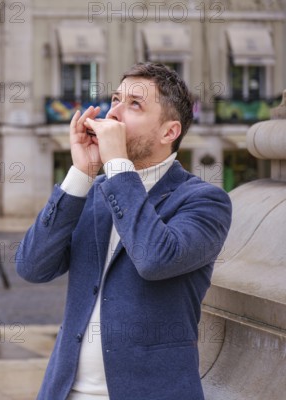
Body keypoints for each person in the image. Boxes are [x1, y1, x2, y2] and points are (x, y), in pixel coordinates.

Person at [15, 63, 232, 400]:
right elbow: (31, 266)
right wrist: (81, 173)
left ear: (169, 132)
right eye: (115, 99)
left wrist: (116, 164)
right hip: (63, 391)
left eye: (135, 104)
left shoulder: (204, 201)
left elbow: (154, 259)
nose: (113, 112)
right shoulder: (92, 192)